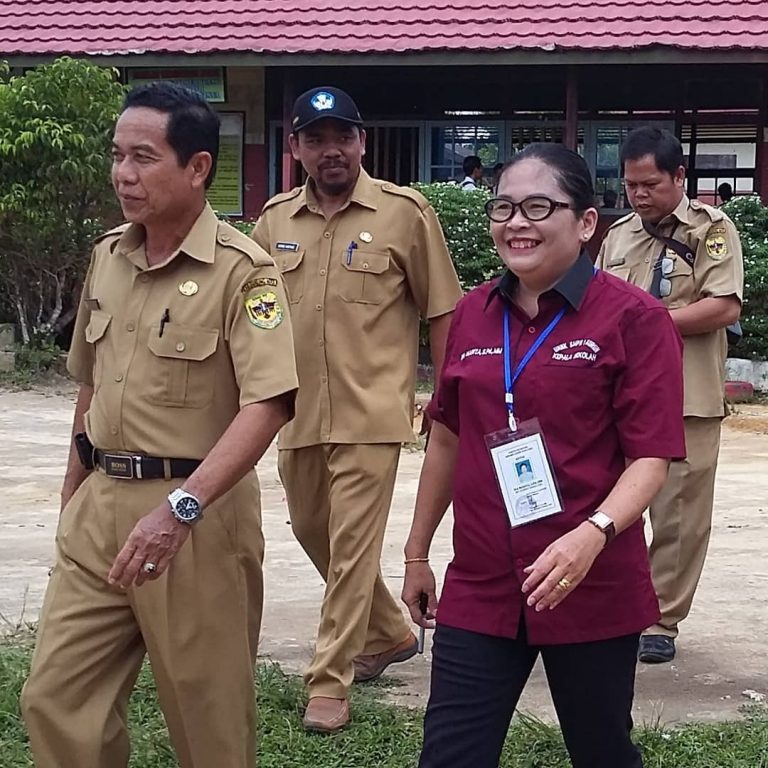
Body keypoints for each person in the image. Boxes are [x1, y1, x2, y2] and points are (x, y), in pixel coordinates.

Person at [21, 82, 298, 768]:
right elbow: (92, 384)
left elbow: (269, 403)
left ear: (197, 166)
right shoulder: (107, 257)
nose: (123, 173)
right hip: (101, 508)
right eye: (117, 155)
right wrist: (72, 494)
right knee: (54, 698)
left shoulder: (245, 271)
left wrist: (180, 509)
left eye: (143, 157)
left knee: (209, 724)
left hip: (195, 516)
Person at [402, 143, 685, 768]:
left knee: (601, 749)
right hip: (482, 581)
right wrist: (418, 552)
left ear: (585, 224)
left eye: (538, 206)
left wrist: (594, 534)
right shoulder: (473, 314)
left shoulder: (633, 319)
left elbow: (651, 457)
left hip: (588, 580)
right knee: (449, 755)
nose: (516, 223)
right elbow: (447, 435)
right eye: (503, 207)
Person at [252, 86, 463, 733]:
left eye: (342, 136)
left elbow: (443, 309)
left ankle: (329, 680)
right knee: (312, 528)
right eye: (316, 139)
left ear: (361, 142)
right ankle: (388, 634)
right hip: (295, 412)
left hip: (373, 413)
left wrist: (447, 394)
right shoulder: (272, 222)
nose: (331, 150)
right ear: (295, 149)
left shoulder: (405, 213)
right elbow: (252, 317)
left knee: (349, 548)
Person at [597, 127, 743, 664]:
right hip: (623, 391)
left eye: (650, 184)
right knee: (611, 502)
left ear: (679, 177)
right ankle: (615, 606)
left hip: (687, 393)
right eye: (631, 185)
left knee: (678, 515)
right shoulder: (618, 236)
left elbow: (724, 306)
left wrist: (649, 325)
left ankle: (661, 619)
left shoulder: (712, 230)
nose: (638, 195)